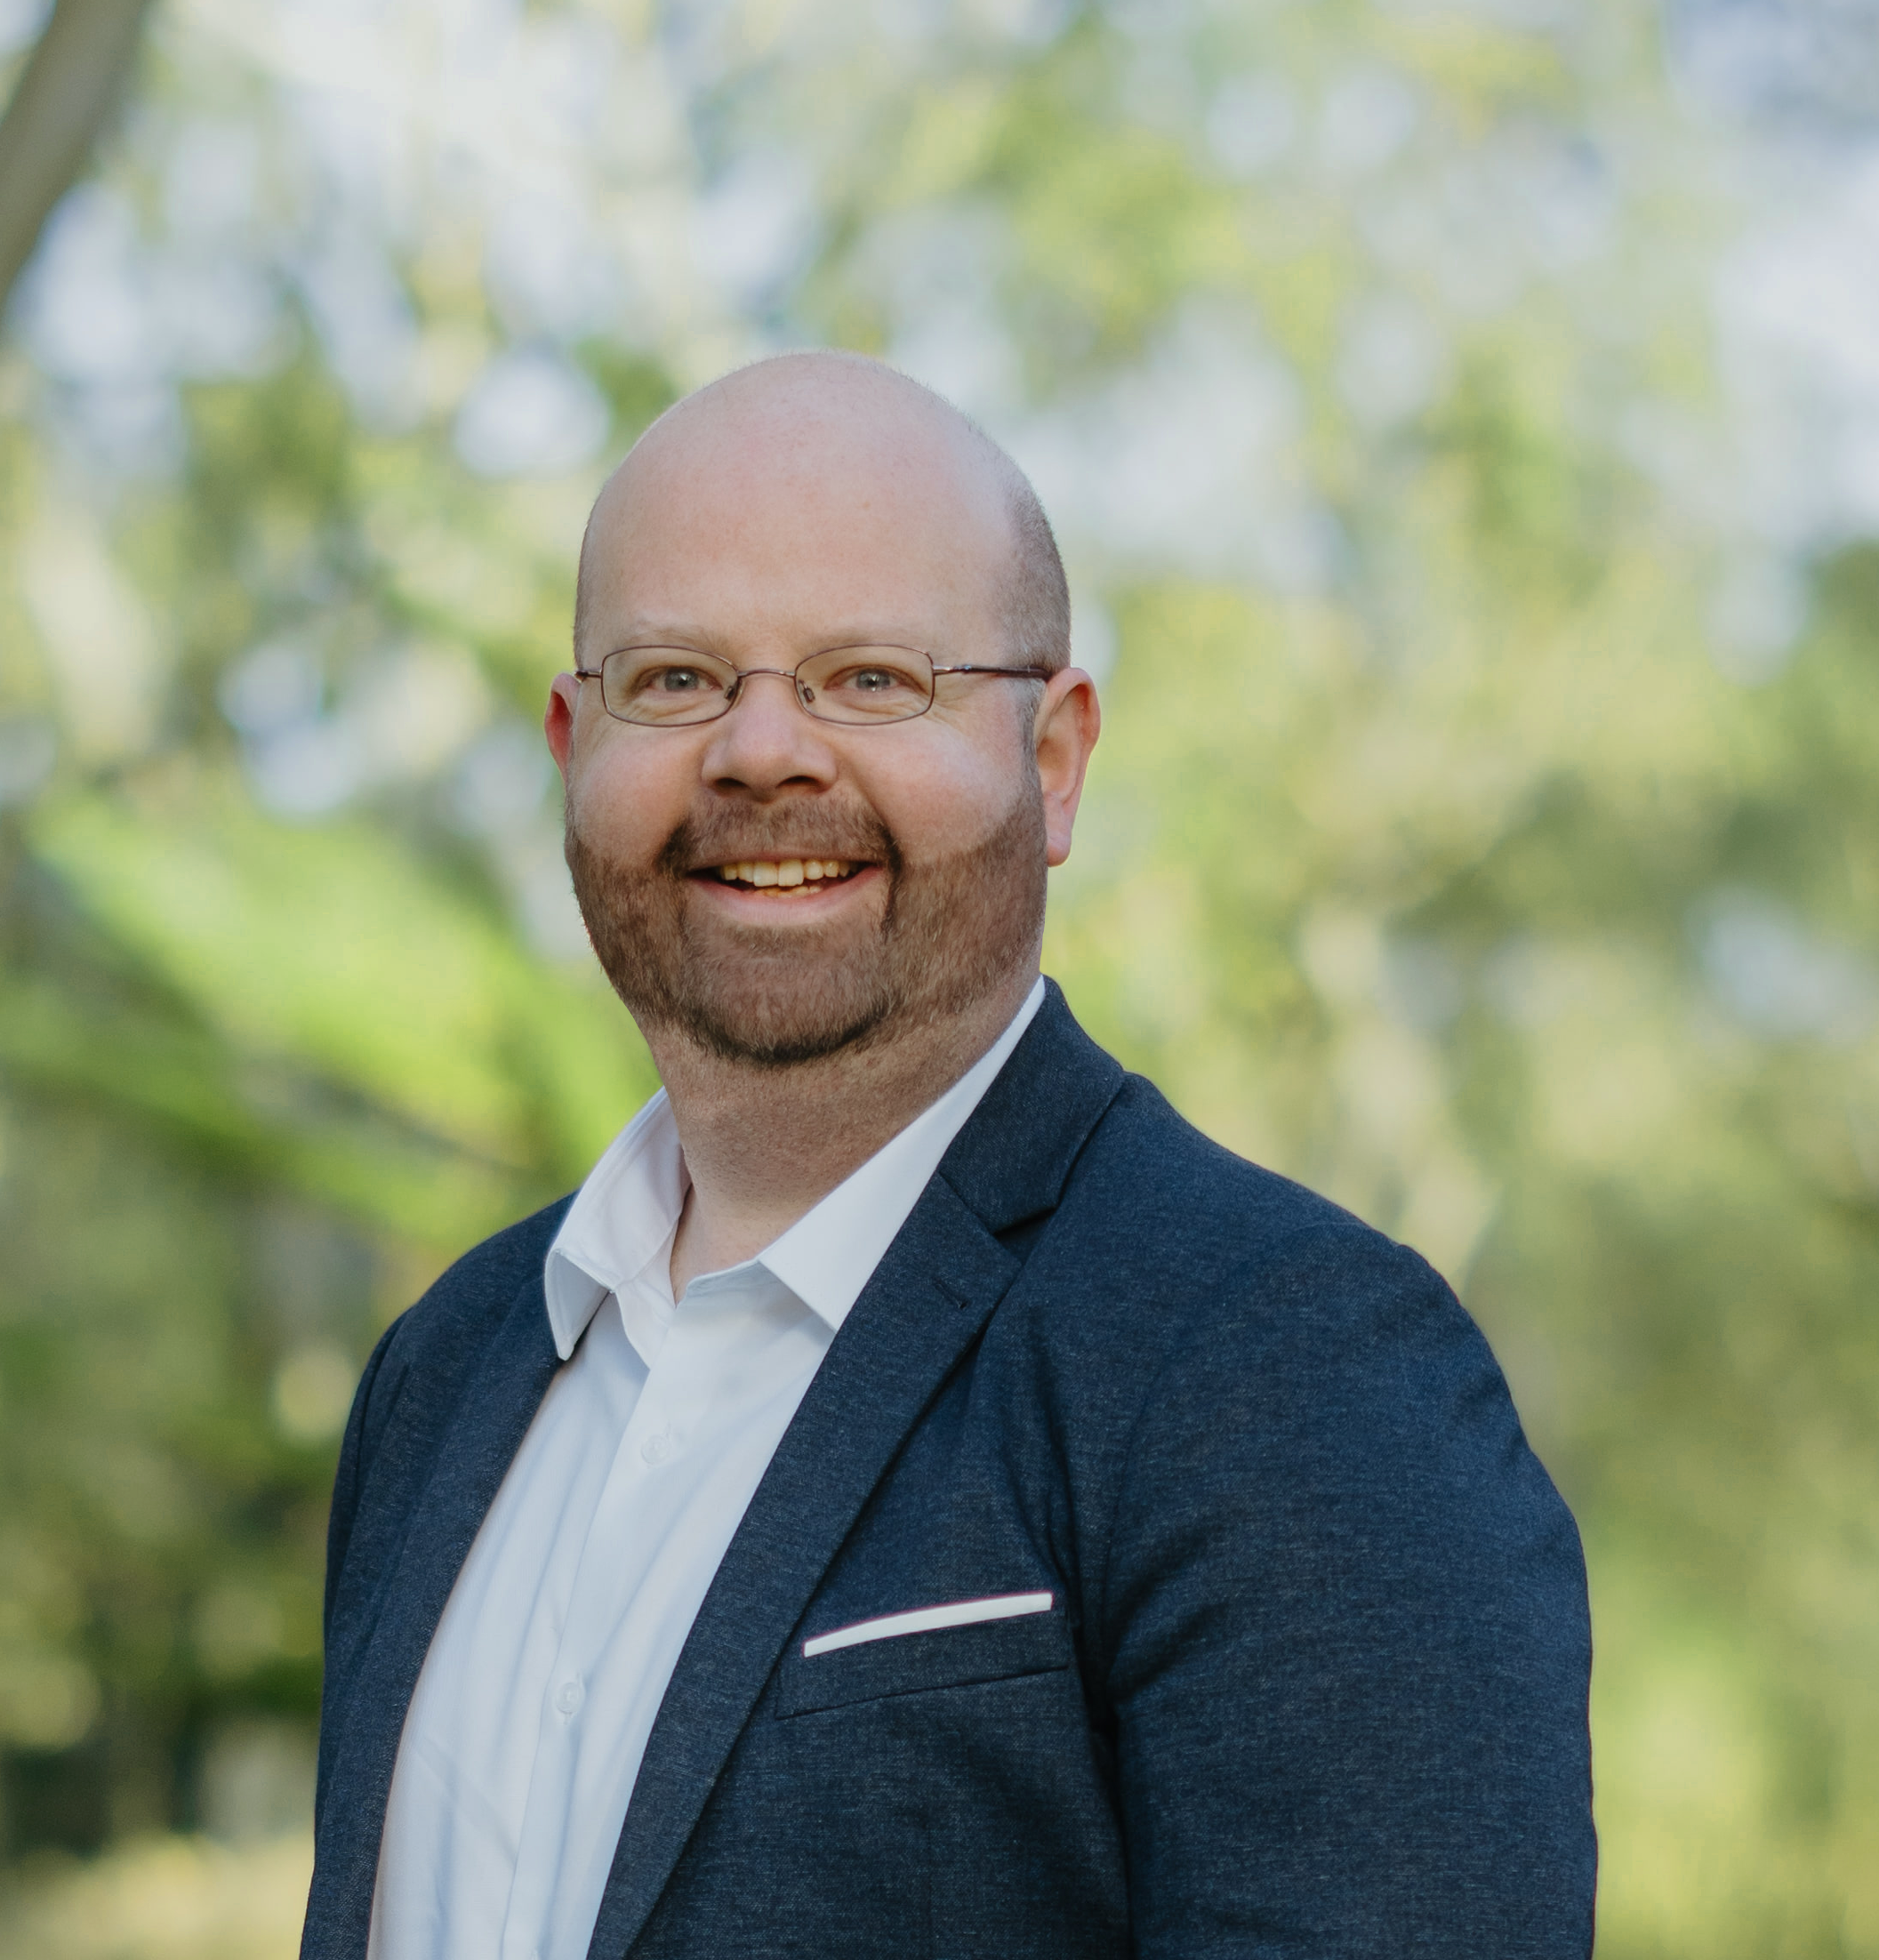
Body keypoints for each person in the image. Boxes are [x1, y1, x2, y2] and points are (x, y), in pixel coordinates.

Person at [300, 352, 1595, 1960]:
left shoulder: (1286, 1364)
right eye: (676, 680)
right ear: (572, 741)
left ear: (1052, 761)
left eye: (871, 680)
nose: (761, 754)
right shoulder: (440, 1379)